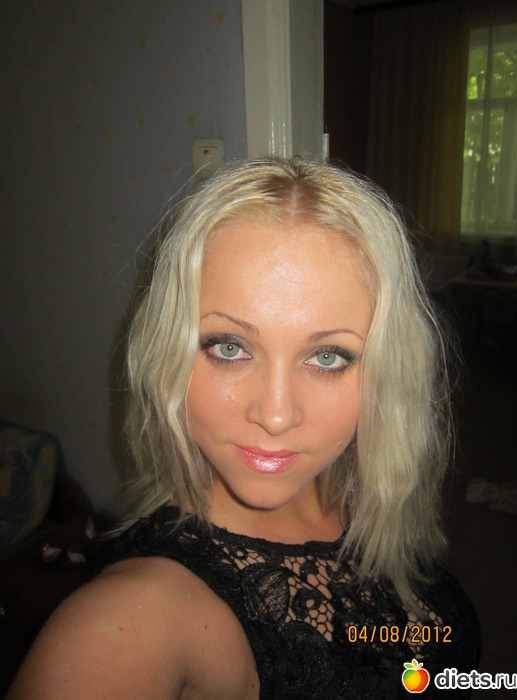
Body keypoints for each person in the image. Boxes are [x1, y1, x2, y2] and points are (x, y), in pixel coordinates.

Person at [8, 158, 479, 699]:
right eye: (229, 348)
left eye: (328, 356)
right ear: (169, 354)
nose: (276, 416)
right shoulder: (135, 615)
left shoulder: (362, 486)